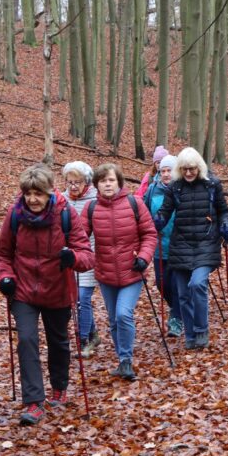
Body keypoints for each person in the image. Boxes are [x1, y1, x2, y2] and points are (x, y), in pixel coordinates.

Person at [0, 164, 94, 426]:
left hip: (57, 289)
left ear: (49, 192)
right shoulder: (15, 214)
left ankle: (59, 387)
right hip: (24, 290)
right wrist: (5, 277)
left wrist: (72, 257)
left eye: (38, 193)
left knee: (58, 341)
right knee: (27, 339)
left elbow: (86, 254)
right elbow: (2, 253)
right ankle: (34, 403)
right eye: (28, 194)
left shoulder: (65, 214)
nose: (32, 199)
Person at [154, 148, 228, 349]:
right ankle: (190, 335)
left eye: (192, 169)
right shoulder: (175, 188)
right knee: (182, 294)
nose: (189, 173)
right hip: (181, 245)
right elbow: (165, 211)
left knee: (197, 284)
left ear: (199, 168)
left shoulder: (211, 185)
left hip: (206, 243)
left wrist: (225, 225)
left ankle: (201, 329)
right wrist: (159, 221)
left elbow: (224, 211)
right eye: (185, 169)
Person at [89, 163, 158, 381]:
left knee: (123, 314)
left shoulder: (134, 203)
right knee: (113, 319)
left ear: (119, 182)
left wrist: (144, 257)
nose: (107, 184)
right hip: (106, 273)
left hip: (132, 271)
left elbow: (149, 234)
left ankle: (126, 359)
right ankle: (122, 360)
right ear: (96, 185)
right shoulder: (91, 208)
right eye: (102, 181)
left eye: (110, 180)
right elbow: (79, 237)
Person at [60, 161, 102, 357]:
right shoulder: (61, 200)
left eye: (77, 182)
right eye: (69, 182)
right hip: (69, 255)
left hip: (90, 254)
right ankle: (92, 334)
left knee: (82, 298)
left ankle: (83, 341)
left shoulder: (96, 199)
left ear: (87, 181)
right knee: (76, 298)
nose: (73, 186)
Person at [144, 154, 182, 336]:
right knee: (161, 284)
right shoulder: (153, 189)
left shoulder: (183, 189)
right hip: (160, 246)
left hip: (180, 246)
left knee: (176, 285)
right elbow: (143, 214)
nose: (166, 174)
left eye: (169, 170)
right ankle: (178, 307)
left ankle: (176, 318)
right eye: (163, 171)